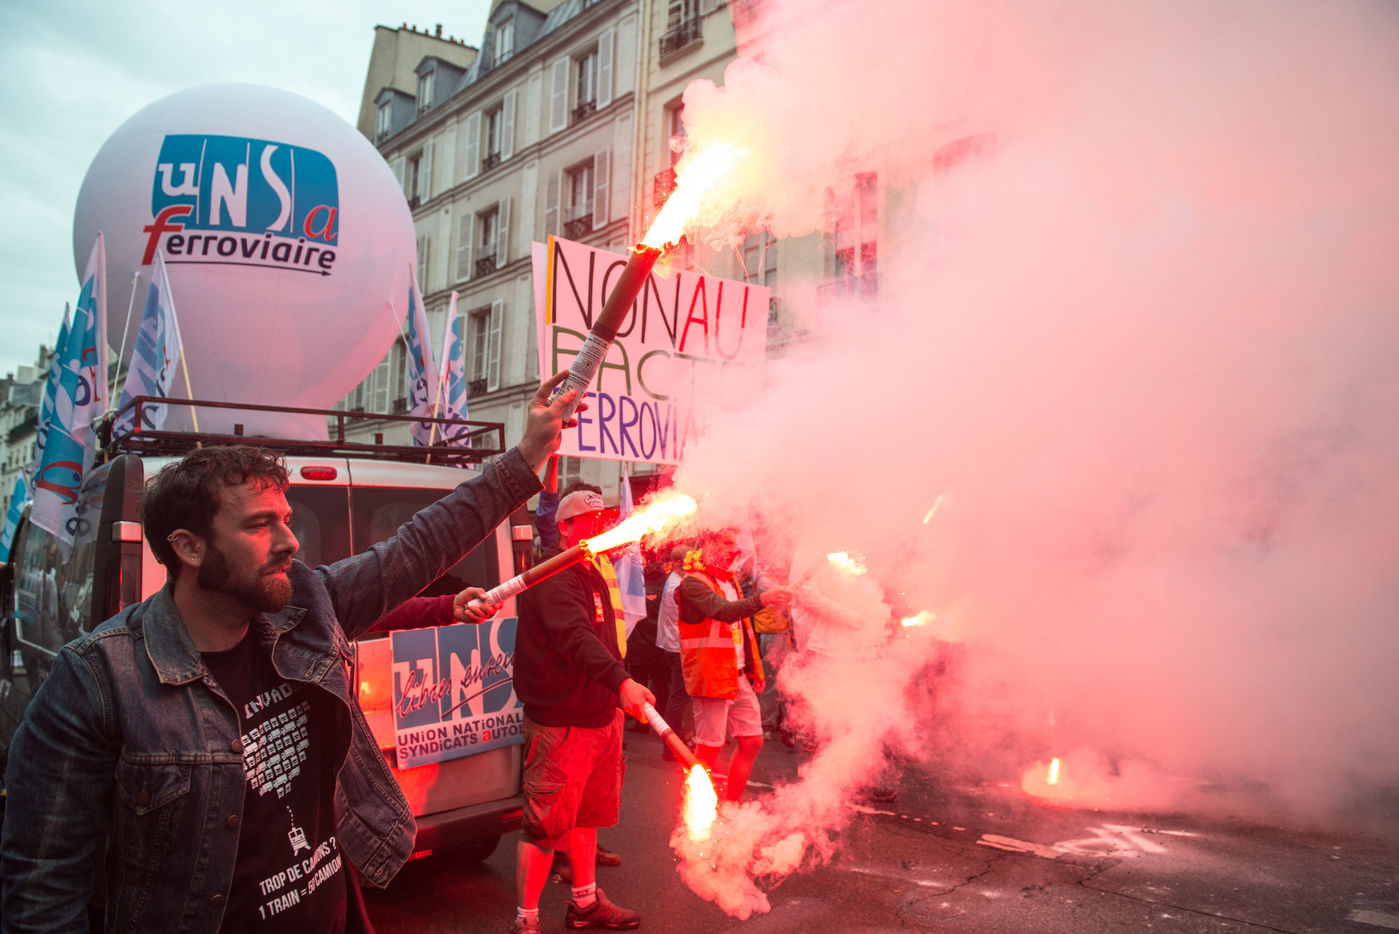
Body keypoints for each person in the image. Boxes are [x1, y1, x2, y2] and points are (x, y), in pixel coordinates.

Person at [0, 372, 579, 934]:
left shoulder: (306, 604)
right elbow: (42, 886)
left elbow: (418, 546)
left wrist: (527, 453)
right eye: (260, 525)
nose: (290, 541)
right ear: (189, 547)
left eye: (286, 519)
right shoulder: (97, 680)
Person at [510, 488, 654, 934]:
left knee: (587, 819)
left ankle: (585, 903)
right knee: (545, 828)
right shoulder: (555, 574)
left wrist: (616, 693)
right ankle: (526, 922)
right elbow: (575, 637)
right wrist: (622, 682)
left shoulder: (592, 569)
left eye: (601, 520)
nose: (597, 527)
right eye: (587, 521)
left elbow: (605, 640)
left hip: (599, 716)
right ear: (564, 526)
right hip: (562, 723)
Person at [675, 528, 790, 803]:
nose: (733, 550)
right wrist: (764, 599)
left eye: (734, 543)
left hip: (737, 676)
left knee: (752, 741)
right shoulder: (692, 583)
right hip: (711, 677)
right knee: (709, 750)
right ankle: (697, 813)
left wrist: (753, 669)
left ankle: (732, 807)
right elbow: (724, 613)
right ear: (707, 544)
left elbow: (743, 629)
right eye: (726, 543)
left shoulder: (730, 581)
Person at [653, 544, 692, 755]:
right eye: (690, 559)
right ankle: (672, 747)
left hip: (673, 645)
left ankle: (678, 741)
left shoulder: (674, 580)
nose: (694, 563)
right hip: (678, 647)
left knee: (678, 695)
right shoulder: (678, 585)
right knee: (678, 696)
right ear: (678, 563)